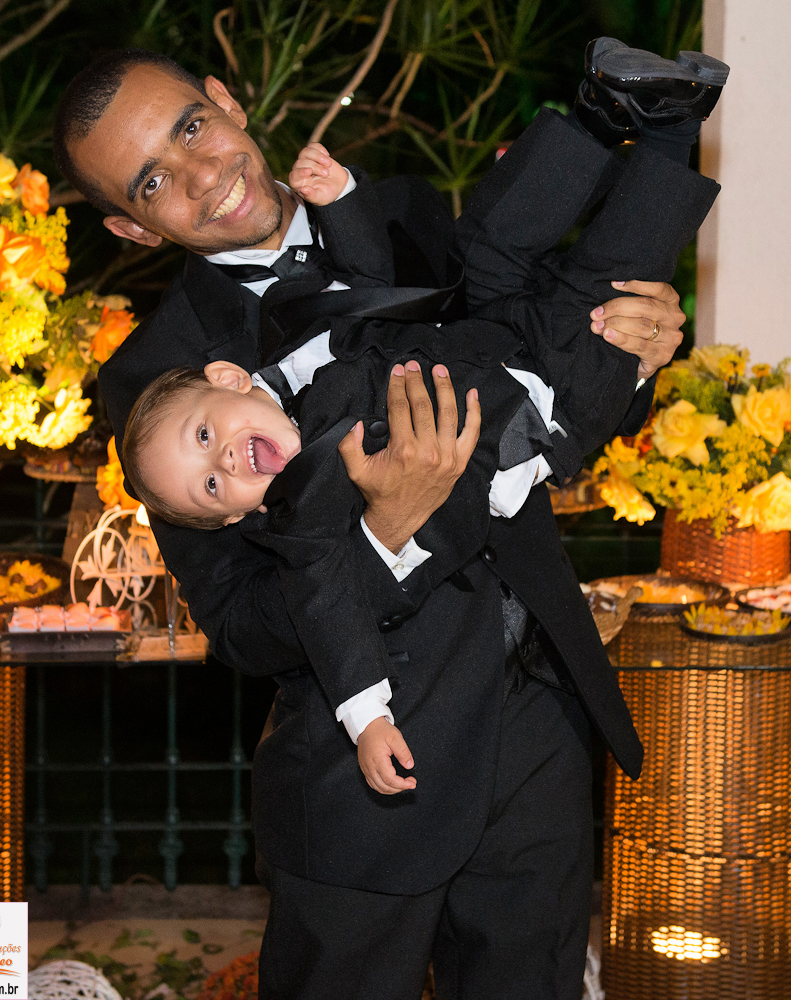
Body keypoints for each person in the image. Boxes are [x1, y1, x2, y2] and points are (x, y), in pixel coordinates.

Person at [53, 37, 722, 999]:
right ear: (133, 229)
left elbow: (530, 343)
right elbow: (240, 627)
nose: (200, 176)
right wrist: (384, 533)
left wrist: (641, 356)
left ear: (226, 100)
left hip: (534, 719)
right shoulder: (154, 378)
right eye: (152, 181)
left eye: (192, 127)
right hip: (366, 777)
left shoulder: (402, 209)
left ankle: (636, 115)